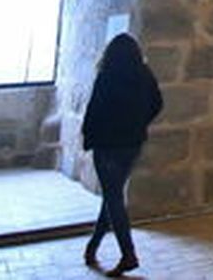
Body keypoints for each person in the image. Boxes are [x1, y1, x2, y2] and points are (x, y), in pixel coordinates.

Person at [82, 33, 165, 277]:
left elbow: (94, 109)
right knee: (112, 196)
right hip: (132, 144)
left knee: (114, 197)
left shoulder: (107, 76)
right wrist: (139, 123)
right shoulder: (144, 74)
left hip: (108, 145)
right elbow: (157, 103)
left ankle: (128, 254)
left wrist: (88, 136)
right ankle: (92, 247)